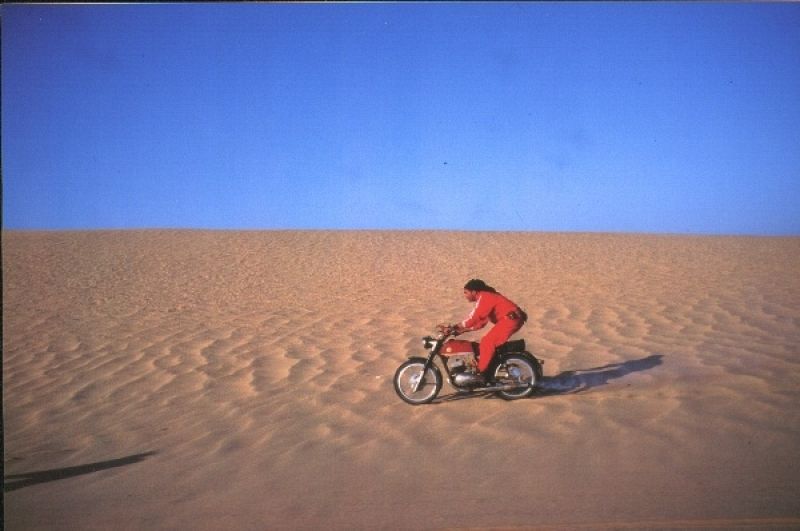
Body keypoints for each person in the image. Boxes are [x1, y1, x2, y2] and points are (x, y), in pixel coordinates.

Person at [441, 279, 527, 384]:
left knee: (487, 342)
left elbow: (474, 318)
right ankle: (487, 368)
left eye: (466, 292)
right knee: (486, 343)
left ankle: (480, 373)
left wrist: (454, 327)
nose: (465, 295)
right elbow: (480, 323)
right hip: (510, 320)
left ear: (474, 292)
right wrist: (461, 330)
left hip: (510, 320)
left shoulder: (485, 297)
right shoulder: (485, 297)